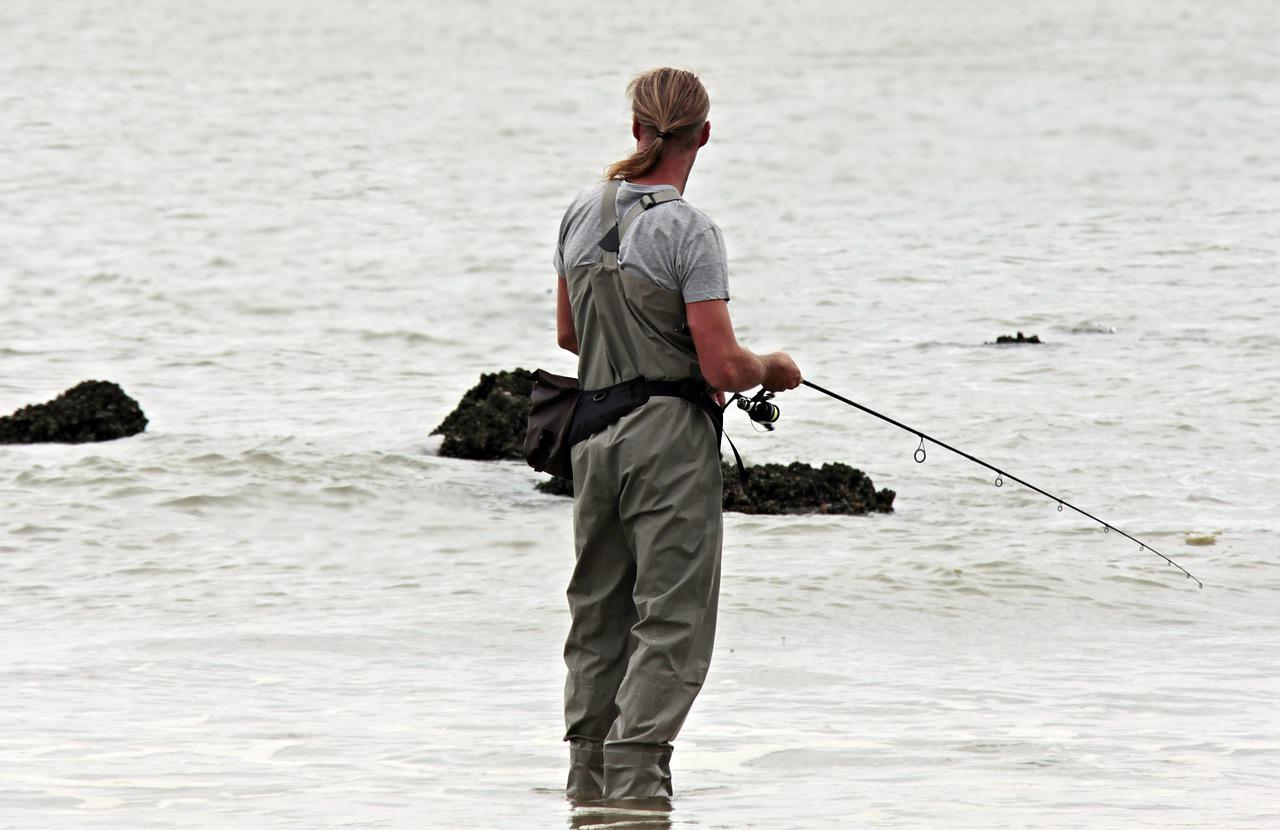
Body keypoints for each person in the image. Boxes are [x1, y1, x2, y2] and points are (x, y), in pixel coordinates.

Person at [552, 67, 802, 803]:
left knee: (598, 614)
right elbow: (724, 361)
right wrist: (775, 369)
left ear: (637, 128)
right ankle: (635, 786)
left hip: (591, 436)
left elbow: (571, 336)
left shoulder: (577, 212)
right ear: (704, 134)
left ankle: (587, 788)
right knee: (672, 620)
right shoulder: (688, 229)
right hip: (666, 441)